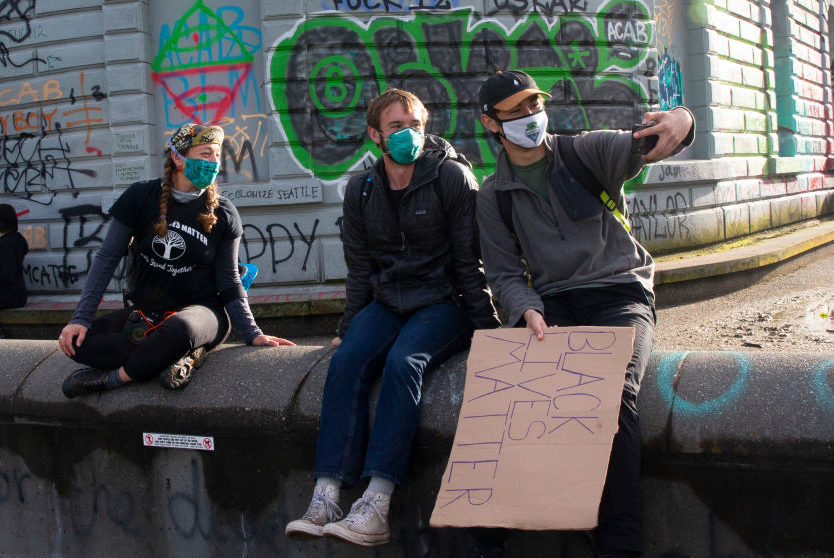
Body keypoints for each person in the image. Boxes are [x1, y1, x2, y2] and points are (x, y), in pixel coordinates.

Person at [475, 71, 695, 558]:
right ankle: (489, 540)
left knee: (613, 396)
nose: (531, 117)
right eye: (516, 112)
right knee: (512, 401)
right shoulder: (492, 195)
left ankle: (619, 546)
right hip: (553, 307)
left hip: (620, 294)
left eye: (534, 105)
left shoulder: (583, 151)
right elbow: (505, 274)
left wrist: (682, 119)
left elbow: (651, 140)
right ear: (491, 123)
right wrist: (527, 311)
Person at [285, 89, 499, 546]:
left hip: (444, 303)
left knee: (405, 362)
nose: (408, 134)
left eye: (415, 125)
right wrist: (348, 329)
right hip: (388, 302)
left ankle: (376, 502)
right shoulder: (361, 190)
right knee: (345, 363)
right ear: (374, 135)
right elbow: (360, 270)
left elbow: (470, 263)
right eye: (397, 126)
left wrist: (488, 329)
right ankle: (327, 494)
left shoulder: (452, 178)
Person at [58, 123, 294, 399]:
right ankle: (174, 356)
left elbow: (229, 280)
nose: (214, 163)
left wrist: (253, 333)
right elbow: (106, 258)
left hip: (202, 314)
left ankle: (114, 379)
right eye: (205, 154)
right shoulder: (140, 196)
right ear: (178, 158)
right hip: (149, 314)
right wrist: (81, 318)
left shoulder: (225, 213)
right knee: (79, 344)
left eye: (217, 155)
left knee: (179, 328)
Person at [0, 204, 28, 310]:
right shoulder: (13, 240)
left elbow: (7, 275)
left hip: (9, 296)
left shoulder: (6, 244)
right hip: (15, 295)